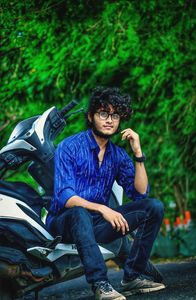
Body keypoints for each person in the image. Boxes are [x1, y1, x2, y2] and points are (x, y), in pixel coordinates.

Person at [46, 87, 165, 300]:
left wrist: (138, 153)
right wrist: (103, 208)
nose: (109, 120)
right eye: (103, 113)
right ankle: (101, 283)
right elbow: (65, 196)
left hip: (97, 224)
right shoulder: (69, 146)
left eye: (115, 115)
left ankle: (132, 277)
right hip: (64, 223)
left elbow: (140, 193)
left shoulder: (117, 155)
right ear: (91, 116)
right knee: (80, 212)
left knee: (153, 207)